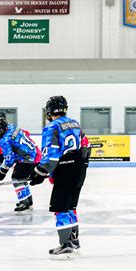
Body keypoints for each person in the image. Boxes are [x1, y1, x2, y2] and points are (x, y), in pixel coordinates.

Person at [29, 96, 87, 259]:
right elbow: (85, 146)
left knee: (60, 208)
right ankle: (74, 243)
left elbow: (51, 158)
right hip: (79, 169)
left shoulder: (52, 127)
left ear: (49, 111)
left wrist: (39, 174)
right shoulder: (75, 123)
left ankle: (65, 245)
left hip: (66, 169)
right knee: (70, 207)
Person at [0, 119, 41, 213]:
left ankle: (24, 202)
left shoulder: (5, 140)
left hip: (28, 159)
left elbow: (10, 159)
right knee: (22, 178)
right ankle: (28, 201)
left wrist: (2, 172)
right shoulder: (12, 127)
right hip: (36, 154)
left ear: (2, 130)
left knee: (16, 178)